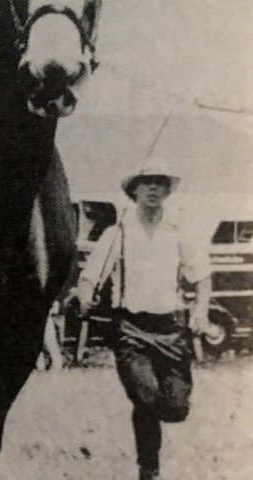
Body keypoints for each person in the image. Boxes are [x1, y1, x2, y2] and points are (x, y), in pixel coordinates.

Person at [75, 160, 219, 480]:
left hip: (171, 329)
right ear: (134, 191)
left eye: (160, 183)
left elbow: (203, 278)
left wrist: (200, 311)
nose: (154, 188)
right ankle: (148, 468)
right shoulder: (118, 234)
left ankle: (151, 456)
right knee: (145, 398)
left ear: (167, 191)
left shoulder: (180, 232)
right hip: (130, 330)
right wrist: (85, 297)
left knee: (176, 408)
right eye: (147, 182)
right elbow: (88, 278)